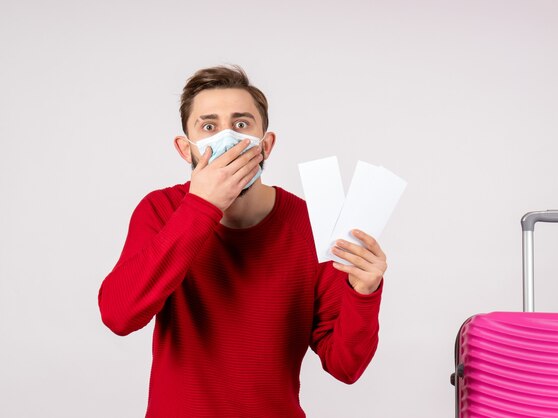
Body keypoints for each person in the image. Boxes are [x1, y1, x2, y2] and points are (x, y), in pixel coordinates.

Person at [98, 65, 387, 418]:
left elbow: (345, 366)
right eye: (208, 126)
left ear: (266, 144)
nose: (227, 139)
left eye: (241, 124)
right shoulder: (161, 210)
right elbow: (119, 316)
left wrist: (364, 292)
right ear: (184, 148)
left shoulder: (310, 224)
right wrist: (202, 207)